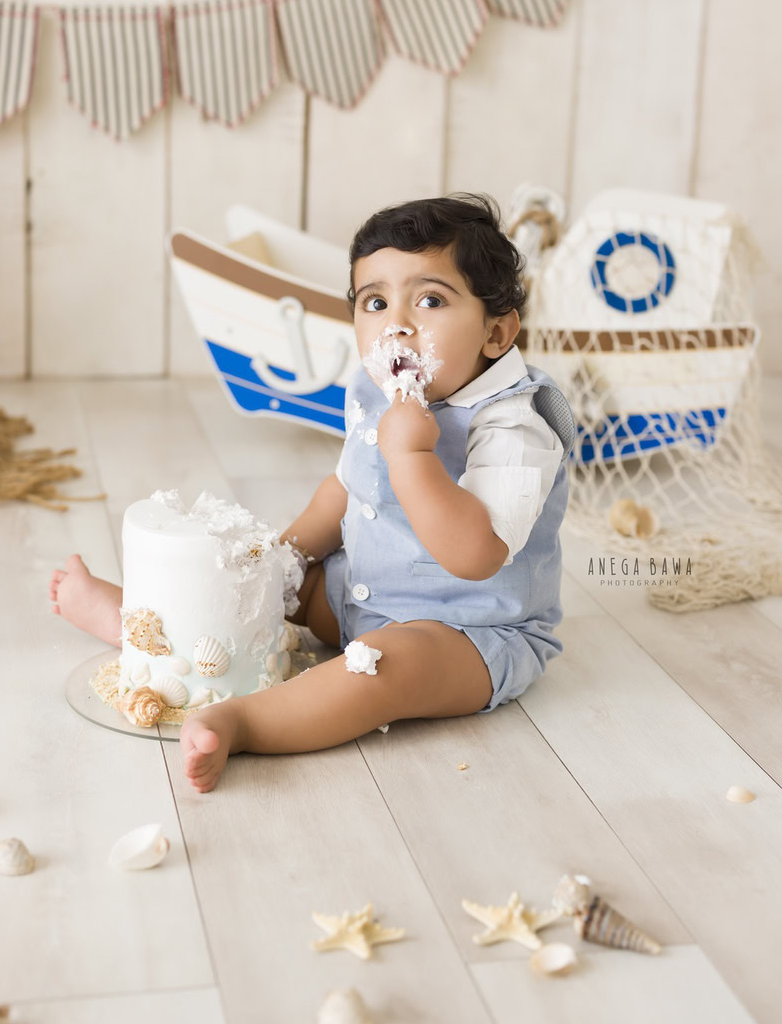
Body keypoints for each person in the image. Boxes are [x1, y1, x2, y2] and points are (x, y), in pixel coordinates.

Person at [49, 193, 575, 794]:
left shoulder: (515, 423)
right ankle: (134, 627)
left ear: (497, 331)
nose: (397, 323)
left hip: (468, 632)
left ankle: (245, 722)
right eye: (375, 302)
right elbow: (346, 491)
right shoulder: (377, 389)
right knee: (255, 591)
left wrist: (412, 458)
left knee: (384, 671)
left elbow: (475, 553)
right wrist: (285, 561)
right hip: (361, 591)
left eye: (430, 299)